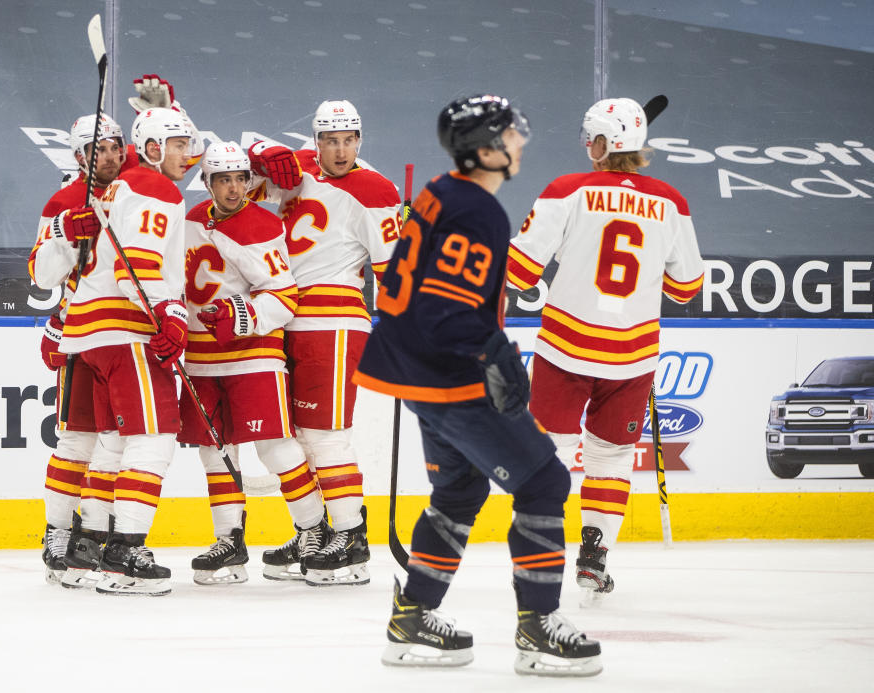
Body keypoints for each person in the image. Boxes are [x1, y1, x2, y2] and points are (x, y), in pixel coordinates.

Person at [353, 95, 602, 676]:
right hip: (451, 377)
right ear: (485, 148)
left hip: (413, 371)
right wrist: (498, 359)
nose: (520, 141)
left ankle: (412, 618)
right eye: (509, 134)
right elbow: (449, 309)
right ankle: (539, 628)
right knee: (545, 483)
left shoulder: (442, 191)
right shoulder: (479, 211)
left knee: (459, 495)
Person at [506, 97, 704, 603]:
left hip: (567, 349)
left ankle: (538, 550)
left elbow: (519, 273)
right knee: (612, 457)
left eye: (589, 137)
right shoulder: (671, 202)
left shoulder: (567, 191)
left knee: (547, 453)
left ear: (600, 145)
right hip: (632, 357)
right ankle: (595, 555)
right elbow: (687, 287)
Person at [247, 99, 401, 585]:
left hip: (332, 321)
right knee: (282, 436)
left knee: (324, 435)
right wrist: (261, 150)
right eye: (330, 140)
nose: (339, 150)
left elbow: (393, 270)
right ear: (315, 140)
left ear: (360, 140)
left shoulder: (376, 190)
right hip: (282, 316)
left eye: (348, 140)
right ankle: (312, 530)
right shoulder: (299, 169)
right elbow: (239, 180)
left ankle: (351, 539)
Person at [58, 106, 198, 596]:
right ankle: (124, 556)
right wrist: (171, 313)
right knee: (155, 437)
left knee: (114, 444)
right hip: (125, 330)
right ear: (156, 148)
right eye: (179, 145)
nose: (189, 154)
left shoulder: (123, 185)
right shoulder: (156, 186)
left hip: (91, 333)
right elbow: (134, 267)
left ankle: (90, 542)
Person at [180, 141, 331, 585]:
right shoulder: (190, 222)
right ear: (207, 183)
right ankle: (229, 541)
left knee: (274, 447)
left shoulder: (261, 224)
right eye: (222, 179)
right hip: (202, 355)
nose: (232, 188)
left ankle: (312, 531)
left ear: (249, 180)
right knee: (215, 449)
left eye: (239, 178)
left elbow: (284, 296)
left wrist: (237, 315)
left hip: (253, 354)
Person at [30, 112, 136, 585]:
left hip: (126, 333)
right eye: (98, 151)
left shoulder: (138, 188)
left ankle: (93, 532)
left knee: (115, 443)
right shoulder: (64, 201)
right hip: (82, 334)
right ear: (78, 157)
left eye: (115, 147)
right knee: (76, 440)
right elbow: (41, 275)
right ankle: (57, 532)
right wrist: (62, 237)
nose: (109, 157)